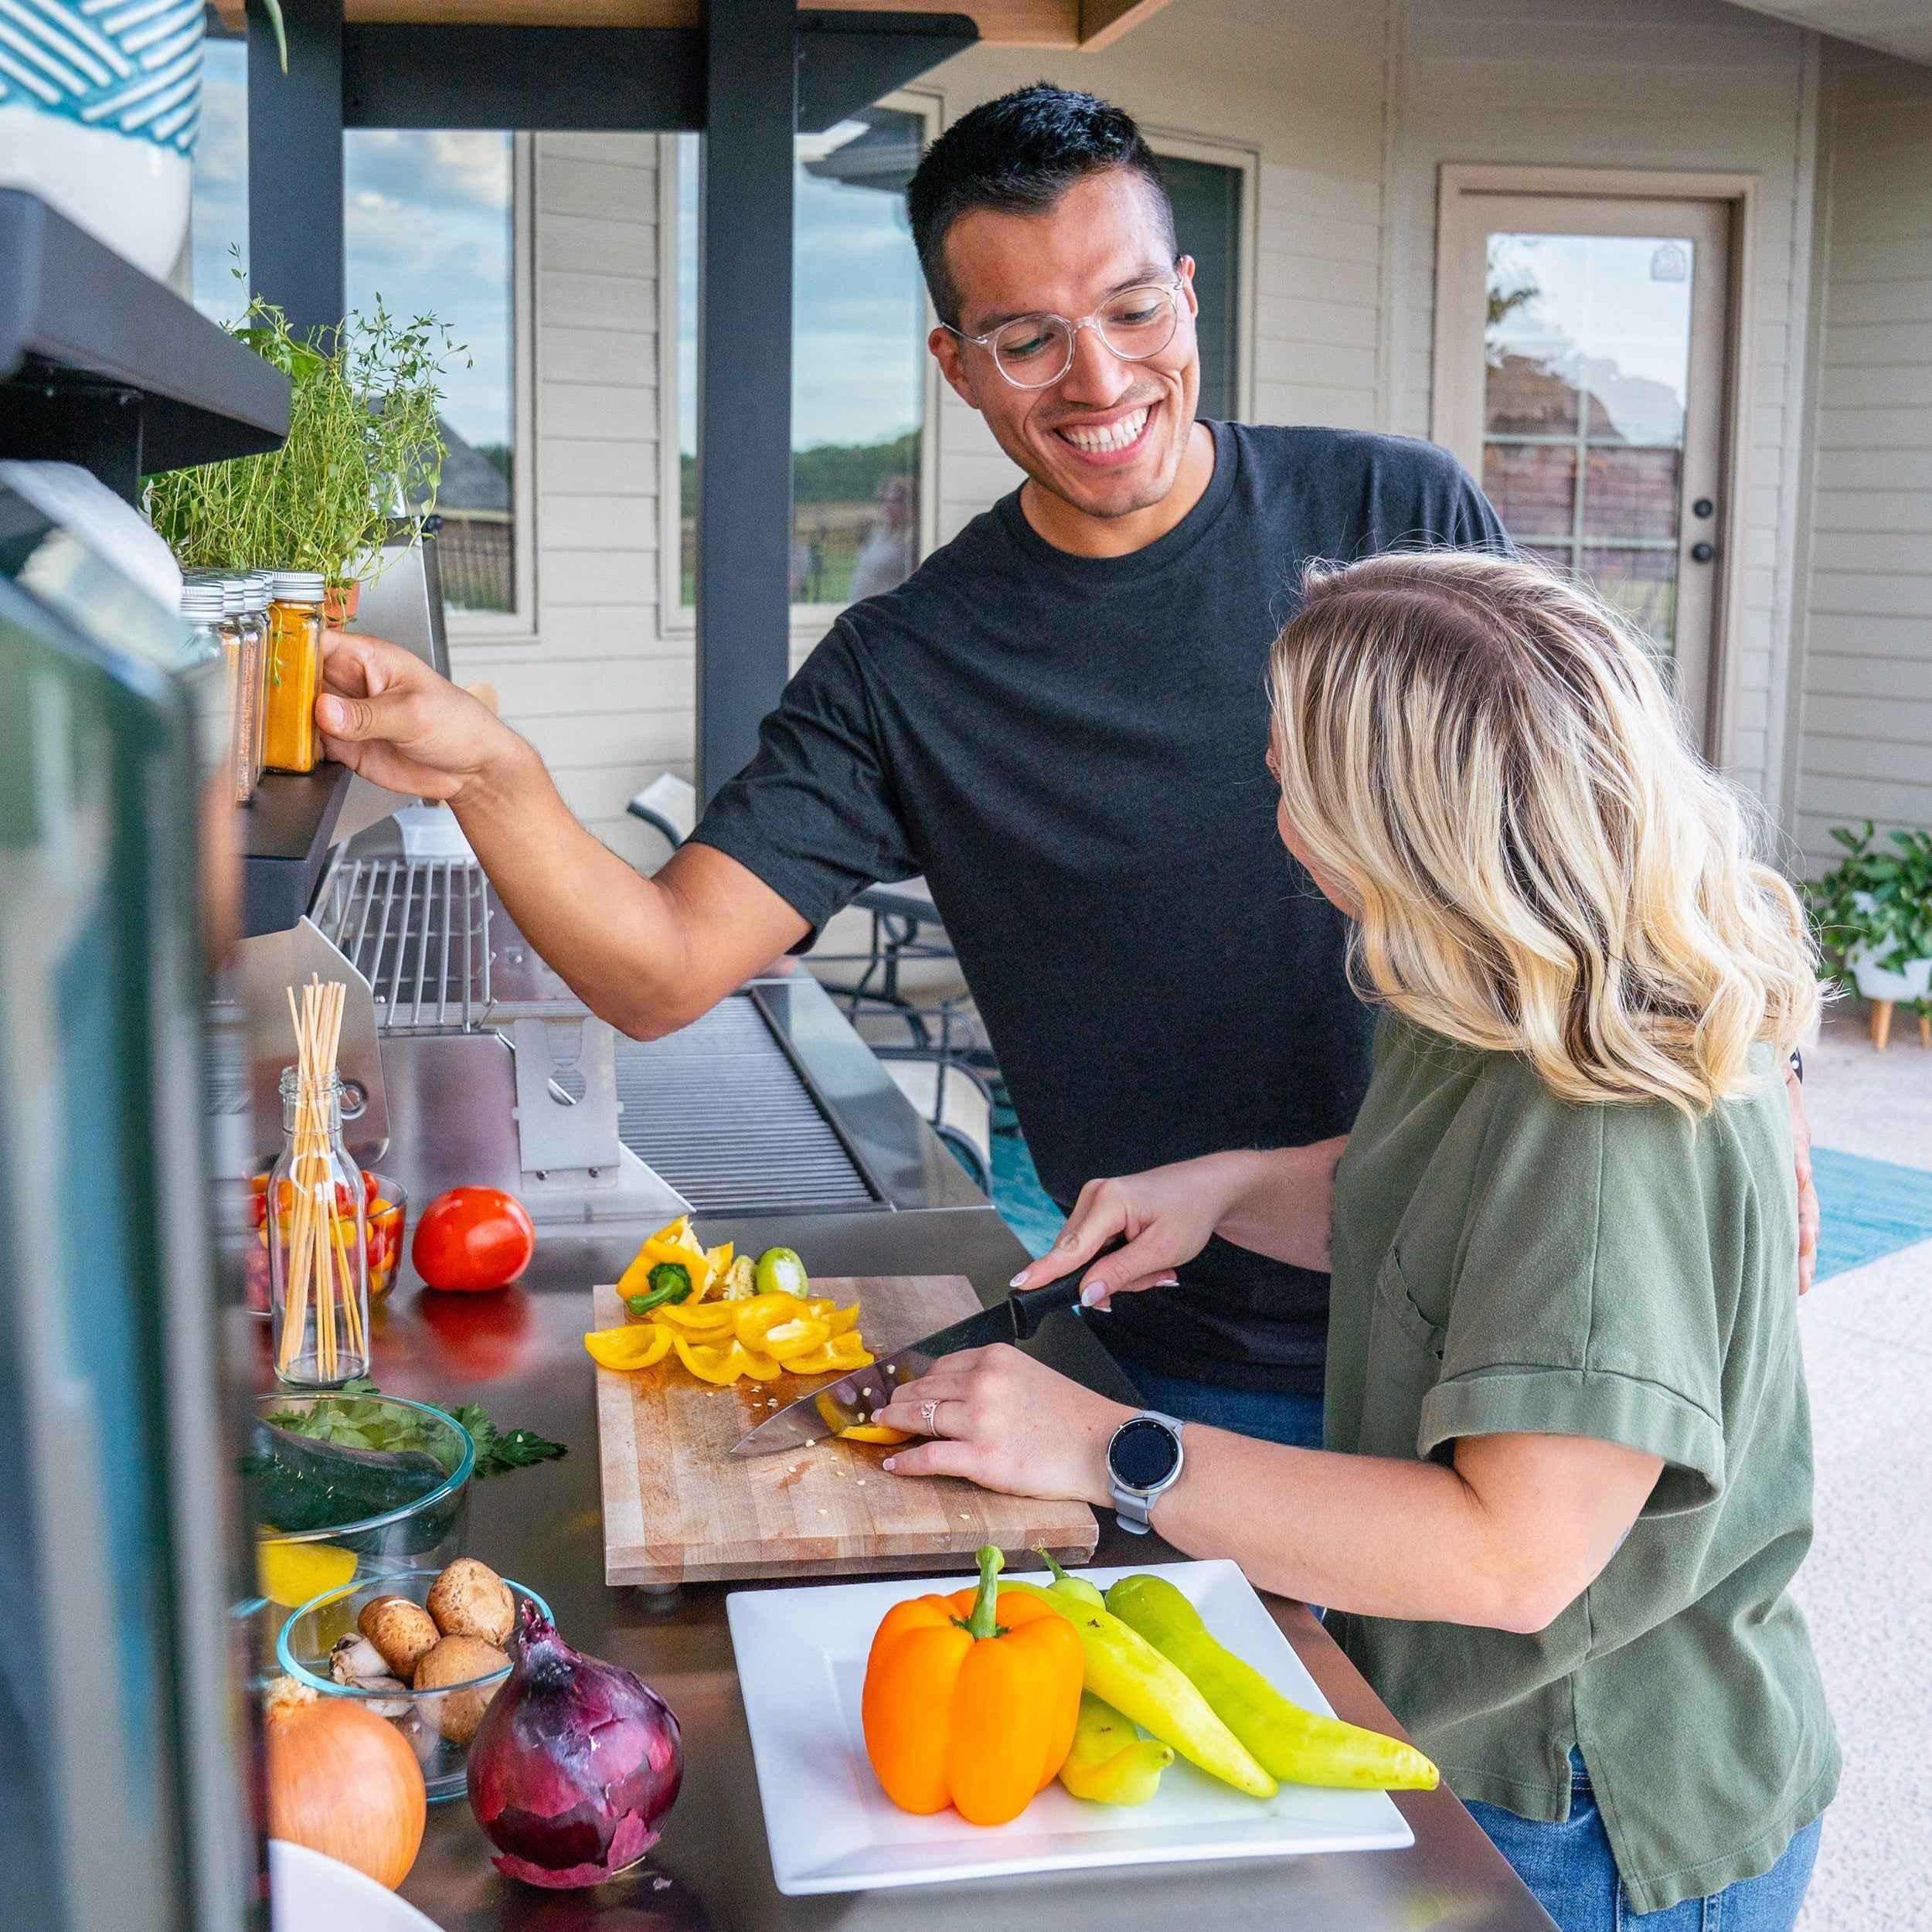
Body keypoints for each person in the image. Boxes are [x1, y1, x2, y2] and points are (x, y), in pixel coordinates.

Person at [312, 84, 1815, 1453]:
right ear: (955, 366)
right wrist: (491, 774)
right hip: (1189, 1346)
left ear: (1187, 292)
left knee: (1526, 1719)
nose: (1097, 379)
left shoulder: (1392, 511)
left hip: (1504, 1297)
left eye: (1129, 308)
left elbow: (1639, 840)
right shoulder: (907, 665)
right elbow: (656, 970)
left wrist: (1771, 1093)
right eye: (1026, 338)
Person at [872, 550, 1837, 1932]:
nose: (1277, 817)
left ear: (1405, 821)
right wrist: (1226, 1190)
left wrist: (1102, 1446)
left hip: (1583, 1806)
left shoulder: (1605, 1126)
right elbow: (1456, 1218)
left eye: (1291, 782)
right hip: (1476, 1731)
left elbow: (1513, 1558)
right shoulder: (1503, 987)